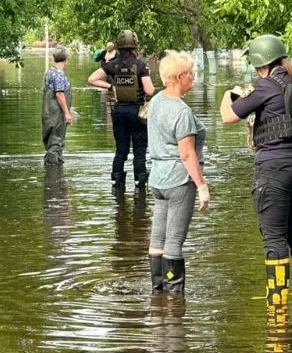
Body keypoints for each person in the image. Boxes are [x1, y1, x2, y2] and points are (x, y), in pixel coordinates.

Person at [220, 34, 292, 304]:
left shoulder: (266, 86)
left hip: (275, 168)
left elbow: (228, 116)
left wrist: (228, 94)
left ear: (259, 63)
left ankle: (277, 308)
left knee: (274, 238)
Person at [146, 51, 209, 293]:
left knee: (157, 240)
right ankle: (174, 303)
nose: (193, 78)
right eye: (191, 74)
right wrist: (202, 186)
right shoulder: (181, 111)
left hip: (158, 179)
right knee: (173, 241)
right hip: (179, 181)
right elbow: (186, 154)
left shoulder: (156, 102)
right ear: (179, 76)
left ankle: (157, 294)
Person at [88, 30, 156, 189]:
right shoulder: (140, 65)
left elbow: (92, 79)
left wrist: (111, 86)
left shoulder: (112, 64)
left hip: (118, 112)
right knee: (139, 151)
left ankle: (117, 185)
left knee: (121, 151)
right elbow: (150, 90)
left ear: (118, 46)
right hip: (137, 113)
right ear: (135, 46)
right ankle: (140, 185)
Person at [42, 47, 74, 166]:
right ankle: (54, 176)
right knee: (56, 143)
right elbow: (60, 94)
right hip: (57, 114)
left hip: (48, 113)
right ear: (66, 60)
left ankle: (52, 172)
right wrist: (67, 113)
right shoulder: (59, 74)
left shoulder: (49, 71)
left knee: (51, 142)